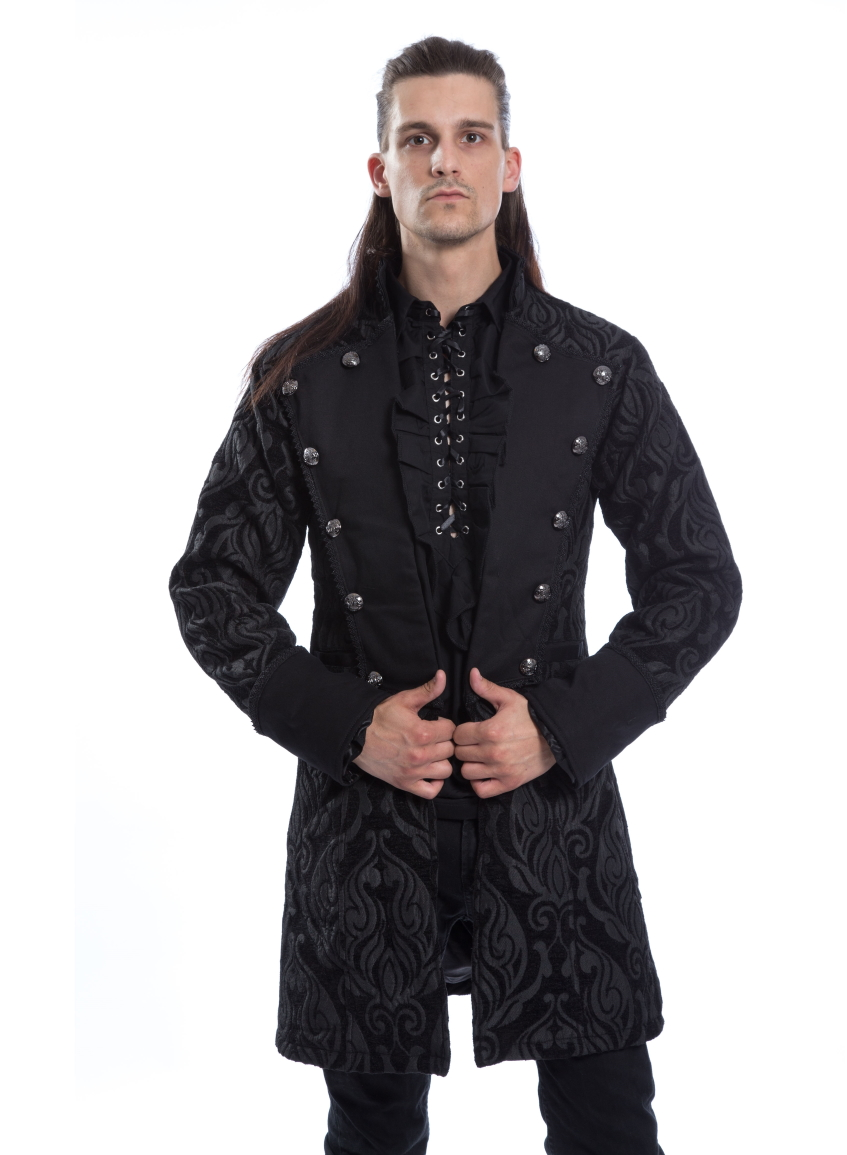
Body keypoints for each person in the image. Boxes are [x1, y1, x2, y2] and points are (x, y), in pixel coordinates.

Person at [170, 35, 741, 1155]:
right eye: (418, 139)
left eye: (471, 136)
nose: (446, 160)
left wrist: (564, 727)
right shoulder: (300, 378)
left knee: (610, 1127)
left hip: (554, 816)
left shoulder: (600, 366)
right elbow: (213, 588)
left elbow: (699, 577)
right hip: (364, 824)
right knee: (373, 1133)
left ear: (508, 165)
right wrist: (350, 725)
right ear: (380, 170)